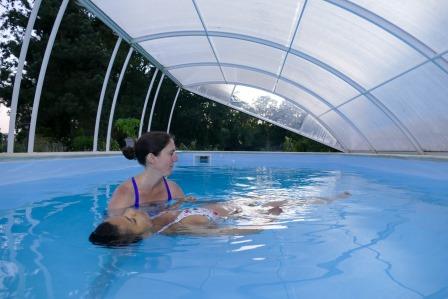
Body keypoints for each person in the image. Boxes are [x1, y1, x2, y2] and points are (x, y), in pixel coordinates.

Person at [89, 203, 261, 246]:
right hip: (249, 213)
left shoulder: (155, 217)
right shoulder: (178, 228)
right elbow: (227, 232)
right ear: (142, 235)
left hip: (238, 205)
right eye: (132, 219)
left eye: (127, 213)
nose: (132, 211)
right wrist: (269, 219)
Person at [108, 131, 194, 217]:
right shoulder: (125, 193)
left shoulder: (173, 190)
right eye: (171, 153)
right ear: (151, 158)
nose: (176, 158)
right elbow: (112, 228)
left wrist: (181, 203)